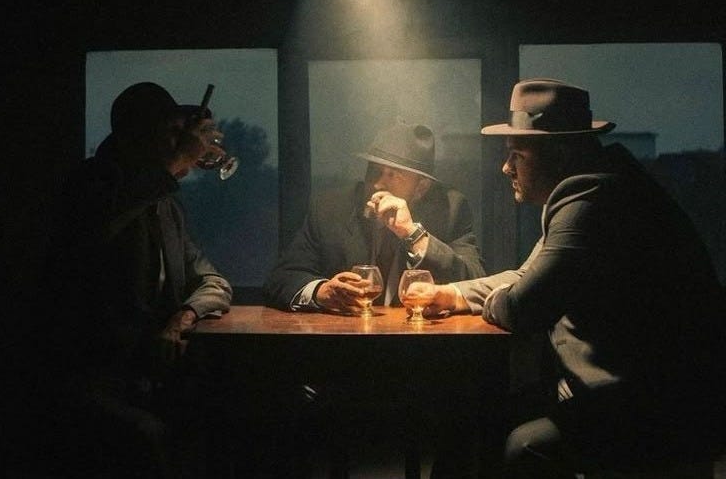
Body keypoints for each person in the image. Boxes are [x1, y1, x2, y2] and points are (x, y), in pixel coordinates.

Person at [405, 79, 726, 477]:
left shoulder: (592, 202)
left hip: (657, 408)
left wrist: (495, 299)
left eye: (516, 155)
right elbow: (528, 276)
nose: (506, 168)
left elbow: (522, 306)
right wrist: (450, 293)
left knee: (520, 446)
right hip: (630, 392)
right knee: (470, 421)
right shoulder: (597, 188)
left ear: (558, 153)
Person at [43, 82, 233, 478]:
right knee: (150, 440)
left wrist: (183, 316)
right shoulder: (90, 184)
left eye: (179, 135)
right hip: (90, 378)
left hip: (148, 377)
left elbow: (213, 280)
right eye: (170, 133)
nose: (179, 143)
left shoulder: (165, 206)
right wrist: (175, 163)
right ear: (136, 136)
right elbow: (96, 230)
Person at [265, 120, 485, 313]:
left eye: (393, 175)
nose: (378, 184)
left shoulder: (450, 209)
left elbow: (475, 281)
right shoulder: (331, 208)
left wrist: (413, 234)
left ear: (421, 188)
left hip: (420, 341)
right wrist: (321, 292)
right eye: (374, 171)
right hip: (345, 339)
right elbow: (281, 278)